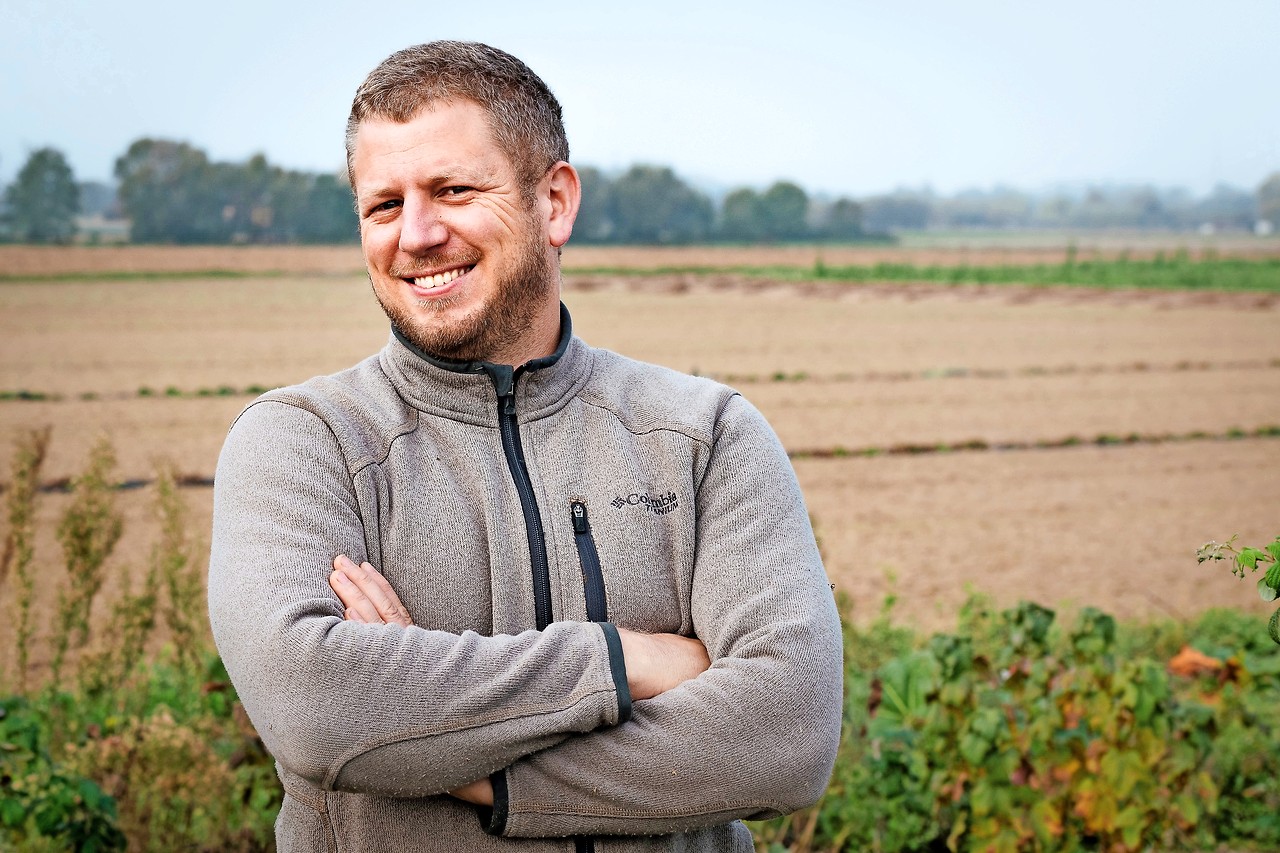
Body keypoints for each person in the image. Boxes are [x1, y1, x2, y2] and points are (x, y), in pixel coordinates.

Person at [208, 40, 843, 853]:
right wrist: (624, 661)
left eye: (453, 191)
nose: (418, 234)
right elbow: (316, 707)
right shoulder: (304, 443)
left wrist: (449, 754)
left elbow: (785, 735)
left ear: (555, 201)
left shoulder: (703, 435)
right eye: (384, 205)